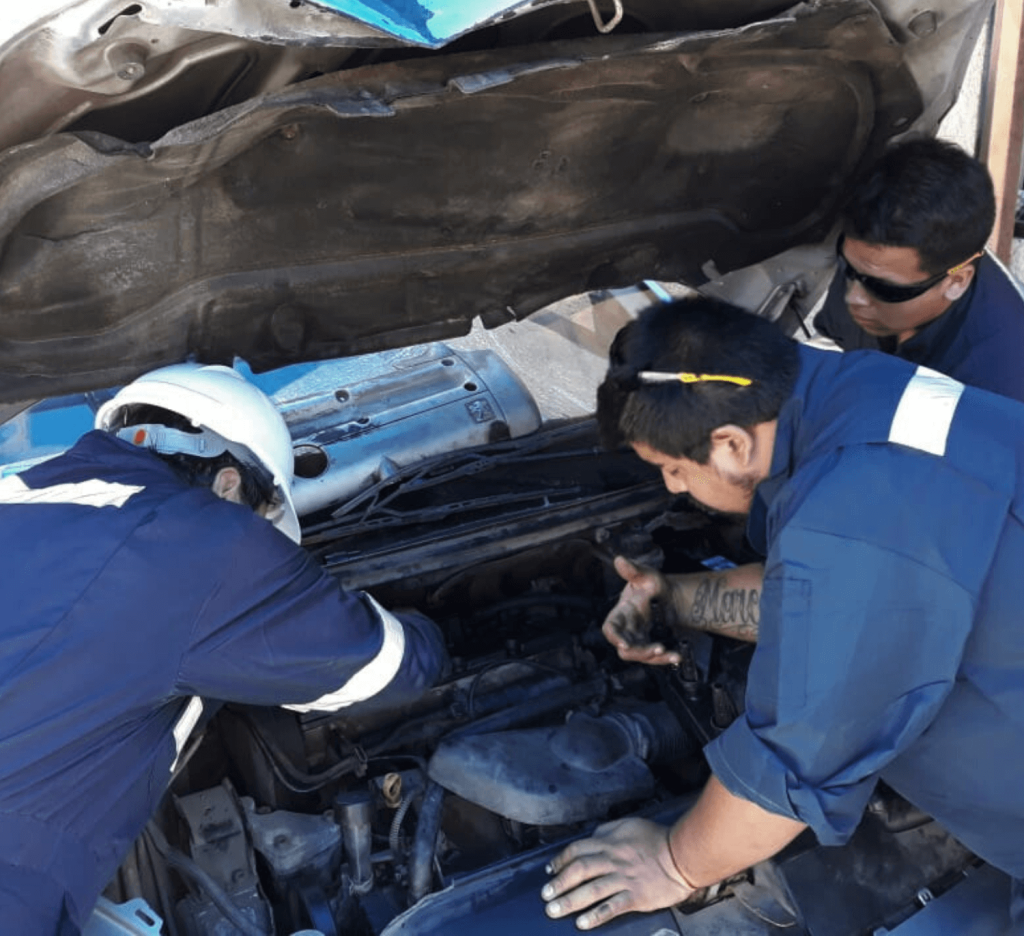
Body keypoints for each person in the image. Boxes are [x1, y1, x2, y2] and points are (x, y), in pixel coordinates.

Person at [539, 298, 1024, 932]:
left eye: (673, 468)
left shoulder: (855, 517)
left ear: (732, 443)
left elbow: (797, 761)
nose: (673, 490)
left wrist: (674, 864)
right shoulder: (858, 389)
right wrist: (675, 597)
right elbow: (832, 598)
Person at [0, 363, 447, 936]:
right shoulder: (197, 539)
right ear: (229, 484)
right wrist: (433, 631)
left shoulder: (22, 498)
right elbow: (391, 666)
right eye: (261, 523)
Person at [813, 136, 1024, 403]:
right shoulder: (872, 267)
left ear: (956, 282)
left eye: (882, 288)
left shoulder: (1002, 386)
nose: (853, 297)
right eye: (848, 268)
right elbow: (833, 343)